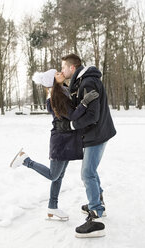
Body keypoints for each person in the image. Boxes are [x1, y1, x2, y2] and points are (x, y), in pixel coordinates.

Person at [10, 69, 99, 221]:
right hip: (60, 140)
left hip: (66, 139)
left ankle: (53, 207)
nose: (60, 73)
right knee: (53, 175)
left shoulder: (61, 91)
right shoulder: (56, 96)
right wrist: (85, 102)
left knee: (59, 177)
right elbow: (72, 115)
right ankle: (25, 160)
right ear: (52, 81)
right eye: (57, 73)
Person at [57, 54, 116, 238]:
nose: (62, 71)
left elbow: (92, 116)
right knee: (91, 170)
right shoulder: (82, 82)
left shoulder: (87, 83)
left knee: (87, 173)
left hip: (96, 134)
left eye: (64, 68)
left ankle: (95, 214)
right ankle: (98, 201)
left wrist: (72, 126)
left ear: (72, 68)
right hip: (96, 133)